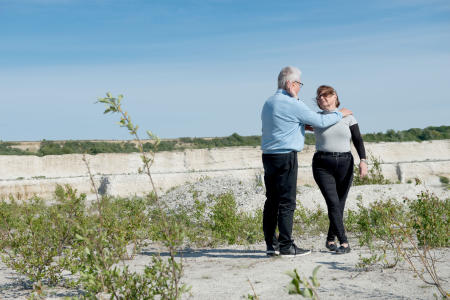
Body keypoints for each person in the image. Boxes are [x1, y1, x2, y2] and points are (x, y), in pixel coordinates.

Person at [261, 67, 353, 257]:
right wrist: (341, 114)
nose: (300, 88)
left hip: (268, 155)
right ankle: (286, 246)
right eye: (299, 84)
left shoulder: (268, 102)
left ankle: (272, 244)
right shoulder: (292, 102)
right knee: (287, 201)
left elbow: (287, 122)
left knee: (272, 201)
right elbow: (318, 121)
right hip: (286, 156)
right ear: (291, 84)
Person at [310, 85, 368, 254]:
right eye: (319, 96)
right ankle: (344, 243)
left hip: (345, 162)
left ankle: (329, 240)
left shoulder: (348, 116)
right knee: (333, 203)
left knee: (339, 204)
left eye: (326, 95)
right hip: (322, 163)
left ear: (334, 96)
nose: (322, 98)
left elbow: (358, 140)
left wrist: (363, 161)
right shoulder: (316, 118)